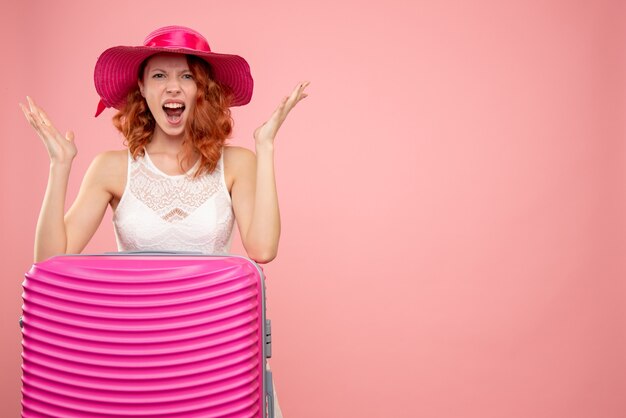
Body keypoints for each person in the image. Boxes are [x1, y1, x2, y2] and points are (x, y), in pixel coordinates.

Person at [20, 25, 307, 418]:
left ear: (200, 90)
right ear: (142, 87)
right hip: (128, 363)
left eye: (186, 76)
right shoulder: (111, 168)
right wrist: (59, 166)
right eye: (160, 76)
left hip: (213, 363)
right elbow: (49, 263)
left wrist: (266, 145)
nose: (173, 88)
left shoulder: (237, 163)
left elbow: (263, 248)